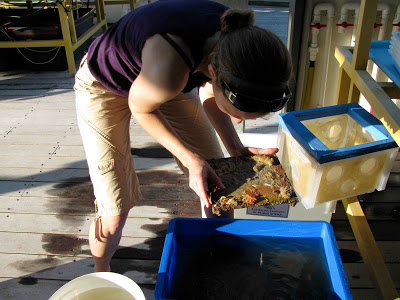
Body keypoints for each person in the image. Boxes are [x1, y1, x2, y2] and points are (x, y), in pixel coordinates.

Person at [74, 0, 293, 272]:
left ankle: (220, 257)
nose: (236, 120)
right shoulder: (172, 66)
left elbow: (212, 95)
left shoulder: (240, 45)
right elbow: (141, 108)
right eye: (236, 114)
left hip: (163, 80)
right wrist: (190, 160)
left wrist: (235, 149)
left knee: (219, 181)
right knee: (115, 210)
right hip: (105, 84)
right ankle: (101, 271)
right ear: (214, 74)